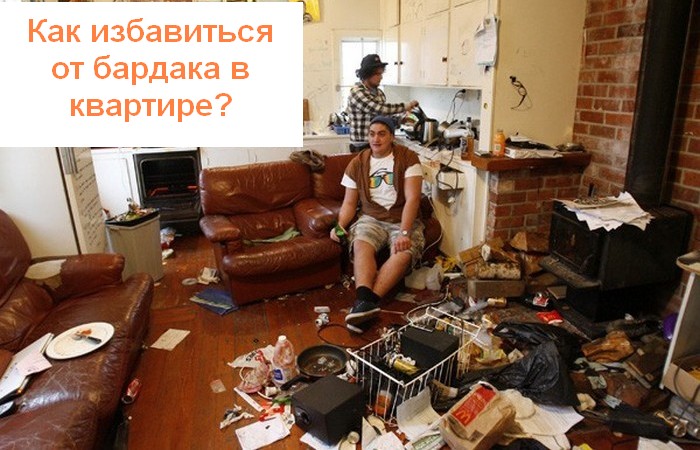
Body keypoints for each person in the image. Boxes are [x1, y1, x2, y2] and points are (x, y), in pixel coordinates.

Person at [330, 115, 425, 333]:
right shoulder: (357, 163)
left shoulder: (408, 158)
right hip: (371, 218)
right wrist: (339, 225)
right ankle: (365, 303)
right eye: (372, 134)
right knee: (361, 245)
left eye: (382, 134)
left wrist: (404, 232)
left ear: (392, 136)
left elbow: (413, 199)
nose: (376, 139)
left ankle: (366, 303)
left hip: (402, 218)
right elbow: (349, 203)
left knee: (403, 252)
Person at [346, 54, 419, 152]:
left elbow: (382, 118)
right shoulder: (357, 92)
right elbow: (379, 109)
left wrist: (401, 120)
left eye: (381, 74)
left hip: (377, 144)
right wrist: (406, 106)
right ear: (367, 74)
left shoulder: (379, 93)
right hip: (362, 146)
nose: (381, 77)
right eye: (377, 74)